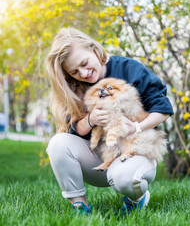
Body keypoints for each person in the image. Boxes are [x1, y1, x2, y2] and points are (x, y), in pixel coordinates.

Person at [45, 27, 174, 215]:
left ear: (94, 50)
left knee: (123, 177)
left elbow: (163, 108)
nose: (83, 73)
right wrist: (90, 119)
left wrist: (136, 127)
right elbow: (72, 129)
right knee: (58, 143)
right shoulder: (73, 86)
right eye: (74, 71)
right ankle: (80, 208)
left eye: (84, 63)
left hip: (134, 152)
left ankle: (135, 198)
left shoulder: (129, 69)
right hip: (99, 159)